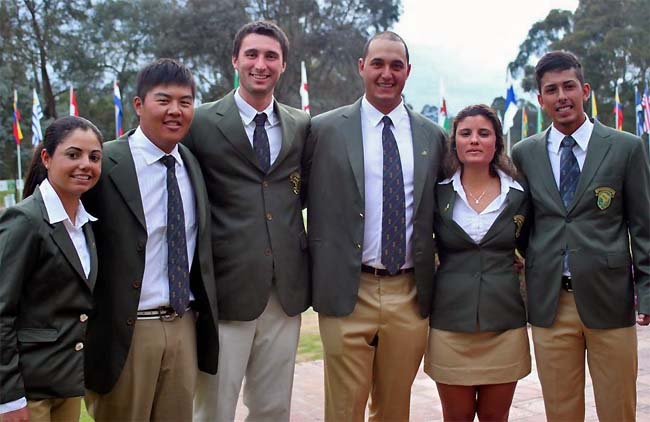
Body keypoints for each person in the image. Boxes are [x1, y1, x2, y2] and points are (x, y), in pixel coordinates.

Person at [305, 31, 446, 422]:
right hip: (347, 289)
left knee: (394, 407)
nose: (387, 73)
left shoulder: (432, 136)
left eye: (396, 65)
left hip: (408, 291)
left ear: (408, 72)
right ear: (361, 67)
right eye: (378, 64)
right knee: (344, 407)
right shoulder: (323, 130)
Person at [512, 51, 650, 421]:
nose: (562, 97)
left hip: (610, 299)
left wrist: (648, 294)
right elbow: (522, 224)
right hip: (550, 304)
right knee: (560, 410)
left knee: (618, 407)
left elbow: (643, 228)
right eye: (551, 90)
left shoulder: (625, 147)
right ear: (540, 99)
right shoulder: (524, 154)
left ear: (585, 90)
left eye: (569, 86)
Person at [184, 21, 310, 422]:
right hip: (224, 292)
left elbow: (300, 195)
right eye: (252, 54)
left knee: (273, 409)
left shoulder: (302, 126)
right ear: (235, 59)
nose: (261, 63)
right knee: (213, 410)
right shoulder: (200, 122)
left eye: (270, 56)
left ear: (283, 65)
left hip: (285, 292)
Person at [82, 58, 219, 422]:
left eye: (185, 101)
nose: (175, 110)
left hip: (183, 326)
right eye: (164, 100)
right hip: (126, 333)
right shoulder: (104, 163)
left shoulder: (192, 163)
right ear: (139, 105)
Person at [424, 104, 530, 421]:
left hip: (504, 323)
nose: (474, 140)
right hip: (450, 324)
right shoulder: (436, 194)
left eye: (483, 133)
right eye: (465, 133)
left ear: (496, 142)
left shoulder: (519, 195)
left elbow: (533, 243)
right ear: (454, 141)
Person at [0, 116, 103, 422]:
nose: (86, 164)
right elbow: (2, 311)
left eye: (94, 157)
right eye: (74, 155)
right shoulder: (24, 221)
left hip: (67, 384)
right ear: (46, 157)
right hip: (28, 392)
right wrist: (8, 398)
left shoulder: (85, 225)